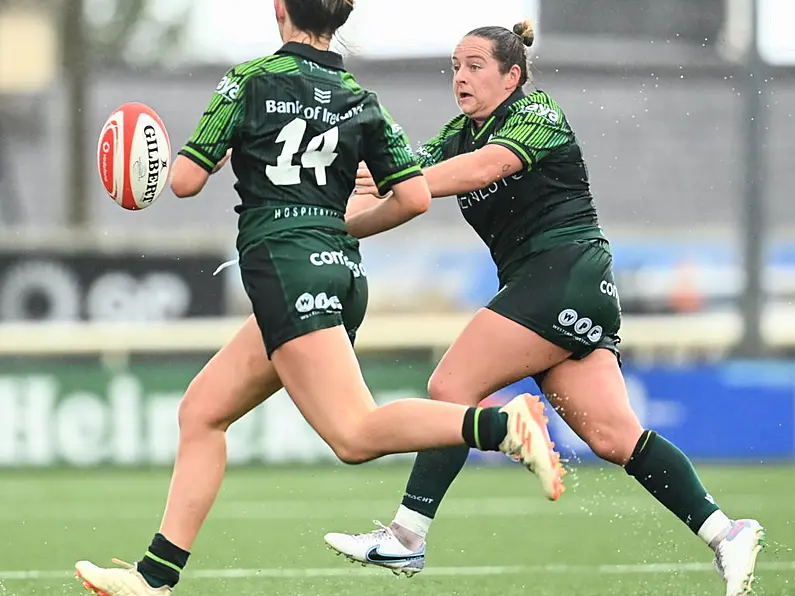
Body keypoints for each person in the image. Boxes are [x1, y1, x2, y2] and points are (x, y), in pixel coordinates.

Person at [72, 4, 568, 596]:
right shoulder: (362, 98)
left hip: (286, 271)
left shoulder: (250, 80)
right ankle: (154, 578)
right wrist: (336, 231)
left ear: (280, 9)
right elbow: (412, 199)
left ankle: (502, 426)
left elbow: (182, 181)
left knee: (354, 435)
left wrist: (199, 153)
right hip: (339, 273)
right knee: (201, 412)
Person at [322, 20, 765, 596]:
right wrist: (332, 224)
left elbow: (477, 170)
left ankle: (407, 537)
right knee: (614, 438)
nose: (460, 76)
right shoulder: (455, 137)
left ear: (513, 75)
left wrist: (395, 174)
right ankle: (725, 531)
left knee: (451, 385)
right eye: (455, 66)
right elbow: (405, 197)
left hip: (563, 274)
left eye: (475, 66)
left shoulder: (538, 115)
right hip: (561, 291)